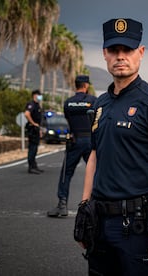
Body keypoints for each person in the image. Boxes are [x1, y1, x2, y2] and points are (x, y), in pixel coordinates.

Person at [78, 18, 148, 275]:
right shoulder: (100, 104)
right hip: (99, 223)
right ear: (105, 53)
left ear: (141, 52)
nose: (120, 56)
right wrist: (84, 210)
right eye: (114, 50)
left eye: (128, 50)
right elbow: (94, 157)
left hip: (137, 228)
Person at [47, 75, 97, 217]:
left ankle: (62, 205)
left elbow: (69, 121)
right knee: (96, 172)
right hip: (90, 141)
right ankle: (96, 205)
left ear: (76, 85)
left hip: (75, 141)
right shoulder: (93, 101)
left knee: (66, 173)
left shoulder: (68, 103)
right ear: (86, 85)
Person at [24, 89, 43, 174]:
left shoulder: (37, 105)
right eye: (39, 95)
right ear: (35, 95)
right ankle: (31, 167)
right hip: (32, 129)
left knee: (35, 149)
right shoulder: (31, 104)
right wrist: (33, 123)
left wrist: (39, 129)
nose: (40, 97)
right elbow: (27, 114)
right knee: (32, 148)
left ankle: (34, 166)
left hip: (36, 129)